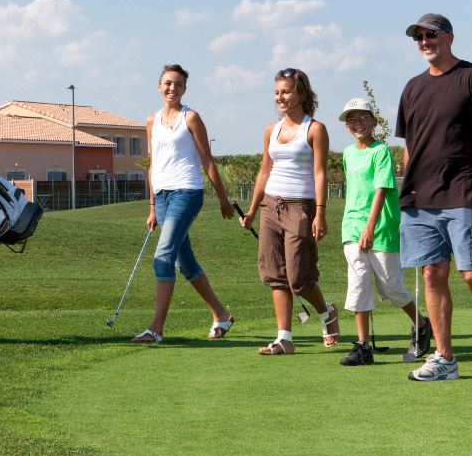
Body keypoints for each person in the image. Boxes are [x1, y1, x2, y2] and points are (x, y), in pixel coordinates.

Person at [397, 13, 472, 381]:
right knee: (432, 274)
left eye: (431, 34)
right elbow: (410, 145)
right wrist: (408, 186)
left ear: (449, 37)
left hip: (465, 191)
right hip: (420, 198)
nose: (424, 42)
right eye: (418, 37)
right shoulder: (412, 88)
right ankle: (445, 359)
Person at [131, 64, 237, 343]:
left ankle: (156, 329)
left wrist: (223, 199)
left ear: (184, 89)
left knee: (163, 256)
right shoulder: (152, 121)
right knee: (184, 261)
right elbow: (153, 164)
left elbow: (207, 160)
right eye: (168, 83)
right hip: (162, 197)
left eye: (178, 84)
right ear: (159, 86)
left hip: (187, 192)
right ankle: (221, 314)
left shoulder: (191, 118)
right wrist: (152, 207)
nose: (172, 89)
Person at [240, 68, 340, 355]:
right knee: (275, 273)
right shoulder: (271, 130)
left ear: (301, 94)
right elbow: (264, 171)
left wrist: (320, 212)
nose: (280, 98)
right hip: (270, 206)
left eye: (286, 92)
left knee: (299, 277)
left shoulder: (315, 129)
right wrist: (251, 210)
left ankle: (326, 312)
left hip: (301, 206)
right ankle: (284, 338)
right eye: (277, 92)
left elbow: (320, 173)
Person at [336, 97, 431, 366]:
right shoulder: (347, 154)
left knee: (391, 287)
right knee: (358, 283)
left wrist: (370, 227)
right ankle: (362, 347)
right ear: (346, 126)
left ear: (374, 121)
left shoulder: (381, 152)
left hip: (381, 228)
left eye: (363, 118)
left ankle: (421, 324)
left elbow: (381, 190)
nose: (357, 123)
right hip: (352, 227)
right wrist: (358, 227)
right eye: (352, 119)